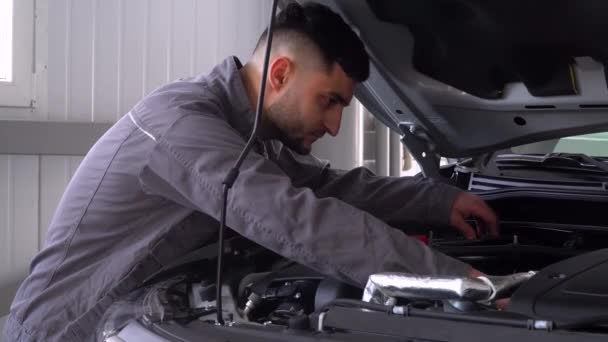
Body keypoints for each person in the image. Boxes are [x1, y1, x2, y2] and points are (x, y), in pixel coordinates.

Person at [4, 2, 498, 341]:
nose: (333, 125)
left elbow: (326, 186)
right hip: (63, 331)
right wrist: (455, 281)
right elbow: (293, 219)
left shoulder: (246, 132)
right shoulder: (183, 126)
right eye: (329, 102)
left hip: (136, 322)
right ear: (280, 74)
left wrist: (440, 201)